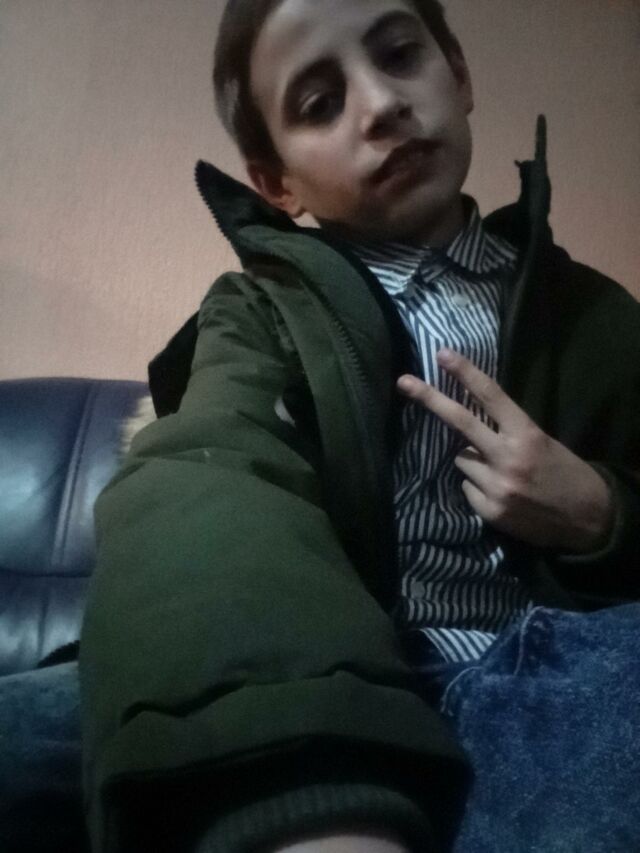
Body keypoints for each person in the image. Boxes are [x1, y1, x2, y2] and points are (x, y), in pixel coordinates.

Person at [1, 1, 638, 852]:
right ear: (277, 184)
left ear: (459, 75)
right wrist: (298, 768)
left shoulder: (598, 316)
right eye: (320, 103)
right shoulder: (259, 312)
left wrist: (602, 513)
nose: (380, 104)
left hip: (556, 671)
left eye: (400, 55)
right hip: (330, 665)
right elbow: (214, 472)